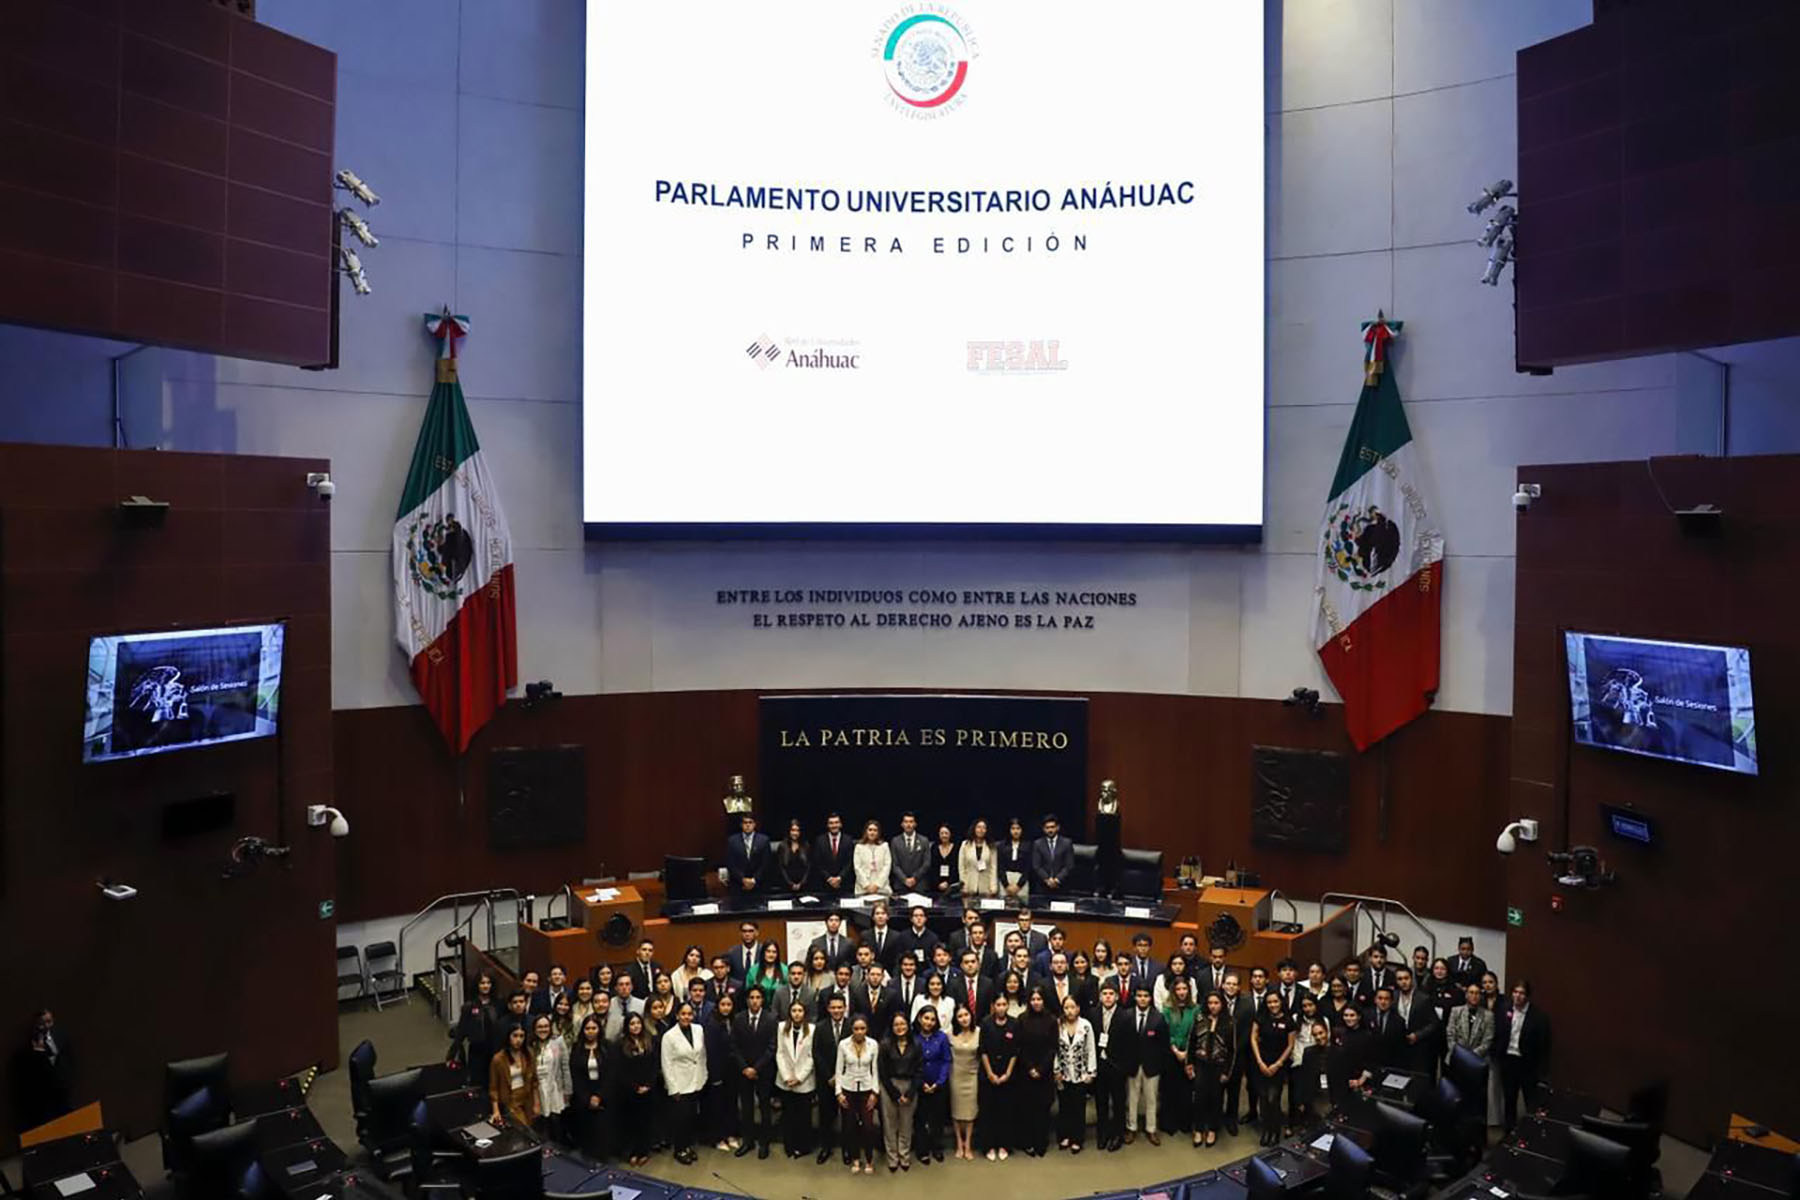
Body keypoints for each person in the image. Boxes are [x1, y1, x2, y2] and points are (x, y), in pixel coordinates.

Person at [1493, 981, 1550, 1133]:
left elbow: (1543, 1046)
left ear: (1527, 996)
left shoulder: (1538, 1017)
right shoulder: (1504, 1010)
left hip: (1527, 1064)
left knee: (1530, 1101)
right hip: (1508, 1061)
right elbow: (1498, 1034)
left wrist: (1541, 1070)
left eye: (1522, 993)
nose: (1517, 996)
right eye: (1515, 992)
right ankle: (1509, 1131)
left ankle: (1532, 1132)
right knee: (1509, 1099)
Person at [729, 985, 777, 1159]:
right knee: (747, 1108)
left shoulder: (772, 1019)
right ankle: (747, 1141)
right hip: (743, 1072)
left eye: (758, 997)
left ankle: (764, 1143)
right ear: (747, 1000)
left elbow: (772, 1047)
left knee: (764, 1108)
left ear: (763, 1000)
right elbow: (734, 1046)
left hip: (763, 1071)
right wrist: (745, 1068)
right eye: (752, 997)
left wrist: (756, 1068)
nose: (755, 1001)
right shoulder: (739, 1018)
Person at [1118, 983, 1166, 1145]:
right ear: (1135, 997)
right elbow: (1122, 1044)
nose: (1142, 999)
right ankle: (1131, 1128)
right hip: (1132, 1066)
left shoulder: (1158, 1017)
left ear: (1150, 998)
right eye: (1139, 996)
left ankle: (1151, 1129)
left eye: (1145, 996)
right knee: (1132, 1098)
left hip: (1152, 1066)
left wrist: (1158, 1065)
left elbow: (1163, 1045)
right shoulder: (1126, 1016)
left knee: (1151, 1099)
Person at [661, 1003, 707, 1165]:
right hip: (679, 1084)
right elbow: (666, 1064)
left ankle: (688, 1146)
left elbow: (701, 1056)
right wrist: (673, 1088)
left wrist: (704, 1075)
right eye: (683, 1014)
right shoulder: (669, 1036)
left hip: (696, 1080)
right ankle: (679, 1149)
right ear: (677, 1015)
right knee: (681, 1119)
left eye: (689, 1014)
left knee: (691, 1117)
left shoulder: (698, 1029)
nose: (686, 1017)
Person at [14, 1009, 74, 1132]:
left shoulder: (60, 1035)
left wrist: (67, 1079)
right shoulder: (32, 1044)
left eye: (49, 1022)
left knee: (69, 1121)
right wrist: (39, 1050)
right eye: (42, 1023)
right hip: (45, 1095)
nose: (46, 1026)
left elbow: (69, 1057)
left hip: (63, 1088)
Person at [1015, 986, 1057, 1157]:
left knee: (1043, 1109)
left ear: (1044, 1001)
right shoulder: (1021, 1019)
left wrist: (1040, 1069)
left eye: (1039, 999)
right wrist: (1030, 1068)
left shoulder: (1052, 1020)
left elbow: (1053, 1047)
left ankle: (1041, 1142)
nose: (1036, 1002)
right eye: (1033, 999)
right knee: (1027, 1109)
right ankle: (1028, 1142)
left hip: (1045, 1072)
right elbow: (1019, 1047)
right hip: (1026, 1071)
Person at [836, 1015, 881, 1174]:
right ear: (851, 1029)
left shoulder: (873, 1044)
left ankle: (869, 1160)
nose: (859, 1032)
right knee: (850, 1127)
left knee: (868, 1127)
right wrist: (839, 1093)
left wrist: (875, 1093)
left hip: (867, 1090)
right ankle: (855, 1159)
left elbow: (875, 1070)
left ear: (867, 1029)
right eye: (856, 1029)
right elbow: (839, 1069)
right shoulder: (843, 1044)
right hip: (848, 1090)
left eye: (862, 1028)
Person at [878, 1010, 922, 1170]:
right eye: (896, 1024)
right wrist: (894, 1093)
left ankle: (904, 1155)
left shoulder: (916, 1044)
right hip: (889, 1086)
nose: (899, 1027)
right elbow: (882, 1072)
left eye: (902, 1024)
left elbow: (919, 1070)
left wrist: (910, 1093)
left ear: (908, 1026)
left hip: (910, 1086)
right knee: (890, 1124)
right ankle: (892, 1157)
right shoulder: (884, 1044)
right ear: (892, 1027)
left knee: (906, 1123)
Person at [1190, 989, 1234, 1148]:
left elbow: (1232, 1050)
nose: (1213, 1006)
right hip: (1201, 1064)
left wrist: (1226, 1072)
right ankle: (1199, 1129)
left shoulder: (1229, 1022)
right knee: (1200, 1098)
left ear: (1222, 1004)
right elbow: (1191, 1042)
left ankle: (1213, 1129)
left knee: (1216, 1098)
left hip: (1219, 1066)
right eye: (1210, 1003)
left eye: (1216, 1003)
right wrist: (1189, 1064)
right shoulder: (1199, 1018)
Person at [1250, 990, 1295, 1146]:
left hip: (1278, 1064)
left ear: (1281, 1002)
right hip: (1261, 1062)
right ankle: (1266, 1131)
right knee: (1262, 1098)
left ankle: (1275, 1132)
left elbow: (1290, 1045)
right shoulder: (1260, 1017)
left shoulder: (1289, 1021)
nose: (1272, 1005)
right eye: (1269, 1002)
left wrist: (1278, 1064)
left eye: (1275, 1002)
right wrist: (1260, 1061)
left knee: (1273, 1099)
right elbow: (1253, 1039)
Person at [1054, 991, 1096, 1152]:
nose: (1069, 1011)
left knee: (1078, 1108)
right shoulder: (1058, 1025)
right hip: (1063, 1074)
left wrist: (1091, 1072)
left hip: (1080, 1073)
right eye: (1066, 1007)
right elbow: (1055, 1050)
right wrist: (1056, 1069)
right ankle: (1065, 1136)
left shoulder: (1086, 1026)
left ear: (1078, 1008)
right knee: (1064, 1107)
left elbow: (1091, 1049)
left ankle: (1077, 1138)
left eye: (1072, 1007)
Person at [978, 993, 1019, 1160]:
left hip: (1007, 1075)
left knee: (1005, 1112)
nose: (1001, 1007)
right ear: (993, 1006)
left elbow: (1015, 1051)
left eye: (1004, 1004)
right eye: (998, 1004)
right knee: (988, 1112)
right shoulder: (986, 1023)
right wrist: (990, 1074)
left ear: (1007, 1006)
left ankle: (1004, 1145)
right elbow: (983, 1050)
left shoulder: (1014, 1024)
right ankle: (988, 1146)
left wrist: (1008, 1073)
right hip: (989, 1074)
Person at [813, 995, 851, 1164]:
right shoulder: (820, 1027)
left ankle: (847, 1149)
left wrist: (840, 1076)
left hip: (847, 1079)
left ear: (845, 1007)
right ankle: (826, 1147)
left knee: (847, 1117)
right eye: (833, 1008)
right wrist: (829, 1076)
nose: (836, 1011)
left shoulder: (852, 1026)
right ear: (828, 1009)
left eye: (839, 1007)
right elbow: (816, 1053)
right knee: (825, 1116)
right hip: (826, 1080)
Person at [776, 1000, 816, 1158]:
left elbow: (811, 1057)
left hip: (804, 1081)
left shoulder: (812, 1030)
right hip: (785, 1080)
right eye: (794, 1010)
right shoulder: (781, 1028)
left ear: (804, 1013)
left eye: (800, 1010)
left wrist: (799, 1078)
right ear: (789, 1013)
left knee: (804, 1117)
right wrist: (787, 1077)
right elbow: (779, 1053)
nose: (797, 1013)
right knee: (788, 1116)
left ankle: (803, 1146)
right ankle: (789, 1146)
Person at [616, 1014, 657, 1167]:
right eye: (632, 1024)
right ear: (627, 1026)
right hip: (630, 1092)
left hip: (648, 1090)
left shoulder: (649, 1041)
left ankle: (643, 1151)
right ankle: (632, 1152)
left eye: (638, 1023)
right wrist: (635, 1087)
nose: (635, 1026)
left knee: (646, 1122)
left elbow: (654, 1065)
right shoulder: (621, 1044)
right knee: (631, 1123)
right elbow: (620, 1070)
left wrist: (648, 1085)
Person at [1091, 980, 1127, 1151]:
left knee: (1118, 1103)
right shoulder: (1092, 1014)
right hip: (1100, 1065)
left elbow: (1130, 1044)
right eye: (1104, 994)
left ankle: (1117, 1135)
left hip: (1117, 1066)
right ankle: (1103, 1134)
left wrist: (1125, 1066)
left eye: (1111, 994)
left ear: (1117, 997)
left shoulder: (1125, 1015)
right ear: (1100, 996)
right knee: (1101, 1102)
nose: (1107, 997)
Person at [569, 1015, 610, 1162]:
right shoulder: (577, 1048)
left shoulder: (607, 1046)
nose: (591, 1031)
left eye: (594, 1028)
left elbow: (611, 1074)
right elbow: (575, 1075)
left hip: (604, 1094)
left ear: (599, 1029)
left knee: (602, 1131)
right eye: (587, 1028)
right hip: (583, 1096)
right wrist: (587, 1098)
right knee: (586, 1133)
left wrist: (599, 1096)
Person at [702, 991, 740, 1152]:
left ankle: (730, 1134)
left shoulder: (734, 1021)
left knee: (731, 1104)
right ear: (717, 1006)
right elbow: (711, 1051)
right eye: (723, 1004)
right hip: (717, 1071)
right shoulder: (712, 1023)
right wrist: (715, 1075)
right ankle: (718, 1137)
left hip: (732, 1071)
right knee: (717, 1106)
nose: (726, 1008)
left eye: (729, 1004)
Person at [1160, 977, 1198, 1137]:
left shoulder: (1196, 1009)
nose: (1182, 992)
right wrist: (1176, 1050)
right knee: (1169, 1089)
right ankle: (1169, 1123)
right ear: (1173, 991)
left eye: (1184, 989)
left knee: (1186, 1090)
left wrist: (1186, 1052)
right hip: (1170, 1054)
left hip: (1189, 1054)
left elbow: (1195, 1032)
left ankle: (1185, 1122)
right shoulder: (1166, 1008)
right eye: (1178, 989)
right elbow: (1166, 1031)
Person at [914, 1005, 951, 1164]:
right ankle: (922, 1150)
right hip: (919, 1084)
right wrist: (921, 1083)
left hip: (938, 1084)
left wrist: (939, 1082)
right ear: (920, 1018)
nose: (929, 1022)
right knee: (920, 1118)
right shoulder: (913, 1037)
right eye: (926, 1018)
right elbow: (911, 1062)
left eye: (932, 1019)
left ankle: (936, 1148)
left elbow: (946, 1060)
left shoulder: (941, 1037)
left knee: (937, 1119)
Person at [449, 972, 501, 1085]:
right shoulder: (469, 1006)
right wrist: (451, 1054)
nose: (486, 986)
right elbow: (461, 1031)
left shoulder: (498, 1004)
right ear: (477, 985)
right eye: (482, 983)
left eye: (488, 983)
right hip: (477, 1051)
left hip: (495, 1049)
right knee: (477, 1082)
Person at [947, 1003, 982, 1159]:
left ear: (971, 1016)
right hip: (956, 1075)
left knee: (970, 1111)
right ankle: (958, 1143)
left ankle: (968, 1144)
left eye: (966, 1015)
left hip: (972, 1075)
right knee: (956, 1110)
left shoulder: (979, 1032)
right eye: (960, 1016)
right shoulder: (950, 1033)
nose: (963, 1019)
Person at [1393, 966, 1442, 1076]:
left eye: (1406, 978)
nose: (1403, 982)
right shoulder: (1393, 997)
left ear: (1411, 979)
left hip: (1418, 1048)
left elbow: (1434, 1023)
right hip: (1398, 1047)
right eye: (1400, 979)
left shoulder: (1423, 998)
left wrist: (1417, 1035)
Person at [488, 1022, 539, 1128]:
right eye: (515, 1036)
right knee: (521, 1128)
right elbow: (493, 1088)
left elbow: (534, 1081)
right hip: (511, 1099)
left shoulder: (528, 1053)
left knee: (531, 1129)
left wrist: (537, 1103)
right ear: (508, 1037)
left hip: (527, 1098)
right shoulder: (498, 1059)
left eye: (522, 1036)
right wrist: (496, 1110)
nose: (518, 1040)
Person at [1224, 972, 1255, 1134]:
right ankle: (1216, 1118)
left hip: (1238, 1052)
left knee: (1234, 1089)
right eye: (1228, 983)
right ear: (1223, 985)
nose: (1231, 987)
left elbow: (1248, 1030)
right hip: (1218, 1054)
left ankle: (1231, 1119)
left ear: (1239, 987)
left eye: (1234, 984)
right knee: (1217, 1089)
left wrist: (1236, 1048)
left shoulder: (1247, 1004)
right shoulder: (1216, 1000)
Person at [1327, 1002, 1374, 1107]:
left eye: (1352, 1015)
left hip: (1359, 1080)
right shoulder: (1338, 1033)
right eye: (1346, 1015)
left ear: (1359, 1017)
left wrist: (1361, 1080)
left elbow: (1371, 1060)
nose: (1349, 1018)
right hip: (1340, 1080)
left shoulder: (1367, 1035)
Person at [1289, 999, 1326, 1126]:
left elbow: (1326, 1041)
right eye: (1304, 1006)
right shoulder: (1295, 1018)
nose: (1308, 1008)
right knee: (1296, 1096)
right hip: (1298, 1061)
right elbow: (1291, 1040)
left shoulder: (1323, 1020)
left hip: (1315, 1063)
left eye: (1310, 1005)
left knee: (1311, 1097)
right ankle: (1292, 1123)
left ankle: (1310, 1123)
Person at [1447, 983, 1494, 1065]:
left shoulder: (1488, 1015)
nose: (1474, 996)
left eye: (1477, 993)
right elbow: (1450, 1036)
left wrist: (1470, 1057)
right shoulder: (1456, 1011)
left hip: (1478, 1060)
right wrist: (1461, 1055)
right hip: (1456, 1057)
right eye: (1471, 992)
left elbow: (1487, 1041)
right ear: (1466, 995)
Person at [725, 812, 771, 895]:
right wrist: (743, 879)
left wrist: (754, 880)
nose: (748, 825)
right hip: (738, 885)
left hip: (759, 885)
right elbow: (731, 864)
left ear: (754, 824)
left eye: (750, 822)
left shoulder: (764, 840)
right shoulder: (732, 841)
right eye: (745, 822)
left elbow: (766, 863)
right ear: (741, 825)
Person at [813, 812, 855, 895]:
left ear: (840, 824)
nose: (834, 825)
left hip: (844, 885)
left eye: (836, 822)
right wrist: (829, 879)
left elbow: (850, 862)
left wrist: (840, 878)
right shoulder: (819, 841)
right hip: (824, 885)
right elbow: (817, 863)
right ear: (827, 825)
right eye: (831, 823)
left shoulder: (848, 840)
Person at [1030, 813, 1073, 893]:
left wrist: (1057, 880)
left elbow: (1069, 866)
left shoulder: (1066, 843)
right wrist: (1047, 879)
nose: (1050, 830)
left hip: (1062, 886)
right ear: (1043, 829)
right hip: (1042, 886)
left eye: (1052, 827)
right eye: (1047, 828)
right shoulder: (1037, 844)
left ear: (1058, 827)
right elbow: (1036, 866)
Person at [958, 818, 999, 897]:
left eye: (983, 828)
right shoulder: (965, 845)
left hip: (985, 887)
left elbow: (993, 868)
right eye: (978, 827)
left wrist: (993, 886)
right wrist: (963, 885)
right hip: (969, 886)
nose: (981, 830)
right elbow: (961, 867)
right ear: (974, 829)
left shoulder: (991, 846)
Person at [855, 820, 894, 897]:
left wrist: (877, 885)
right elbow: (857, 867)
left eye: (875, 830)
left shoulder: (884, 846)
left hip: (882, 888)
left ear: (878, 833)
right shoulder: (859, 847)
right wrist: (866, 885)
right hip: (863, 889)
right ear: (866, 831)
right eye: (870, 830)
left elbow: (887, 866)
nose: (872, 832)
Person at [998, 816, 1032, 901]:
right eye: (1013, 828)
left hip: (1021, 880)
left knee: (1021, 907)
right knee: (1005, 907)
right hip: (1005, 879)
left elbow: (1028, 867)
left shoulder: (1028, 845)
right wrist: (1006, 885)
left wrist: (1019, 885)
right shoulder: (1002, 845)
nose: (1015, 831)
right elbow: (1000, 866)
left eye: (1018, 828)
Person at [897, 904, 940, 970]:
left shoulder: (933, 937)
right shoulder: (903, 936)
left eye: (921, 916)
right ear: (911, 919)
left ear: (925, 918)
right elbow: (899, 959)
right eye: (916, 916)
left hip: (927, 972)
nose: (919, 918)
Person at [745, 940, 784, 1010]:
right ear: (763, 953)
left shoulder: (784, 970)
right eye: (768, 951)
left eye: (774, 952)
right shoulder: (753, 970)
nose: (771, 955)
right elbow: (748, 993)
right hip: (758, 1011)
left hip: (780, 1011)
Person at [775, 818, 810, 894]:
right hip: (786, 886)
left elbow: (808, 867)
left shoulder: (806, 845)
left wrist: (801, 883)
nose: (795, 833)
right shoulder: (782, 846)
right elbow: (781, 868)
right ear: (789, 831)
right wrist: (790, 884)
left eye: (797, 830)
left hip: (803, 886)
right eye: (793, 830)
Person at [927, 822, 960, 897]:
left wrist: (948, 883)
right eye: (942, 833)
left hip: (952, 886)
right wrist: (938, 884)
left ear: (950, 834)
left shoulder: (956, 848)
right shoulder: (934, 848)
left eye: (946, 833)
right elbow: (932, 868)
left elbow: (957, 868)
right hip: (936, 887)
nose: (944, 835)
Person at [865, 901, 900, 970]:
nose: (880, 916)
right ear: (873, 917)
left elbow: (897, 960)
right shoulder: (865, 935)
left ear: (888, 917)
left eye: (883, 913)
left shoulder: (896, 936)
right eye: (877, 914)